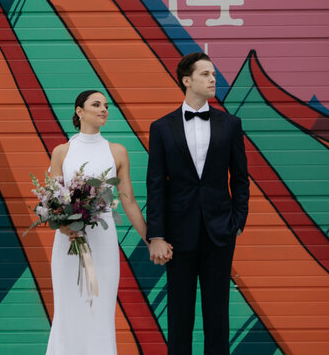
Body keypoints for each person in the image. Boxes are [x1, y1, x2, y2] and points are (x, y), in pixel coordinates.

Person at [146, 52, 250, 355]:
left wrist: (237, 222)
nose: (213, 79)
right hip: (178, 235)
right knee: (180, 315)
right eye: (205, 74)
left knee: (217, 315)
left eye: (214, 74)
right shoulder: (161, 127)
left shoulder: (230, 124)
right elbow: (155, 185)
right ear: (186, 80)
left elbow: (240, 178)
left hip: (220, 232)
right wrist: (157, 234)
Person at [45, 90, 150, 355]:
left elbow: (128, 201)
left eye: (106, 105)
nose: (104, 109)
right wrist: (63, 223)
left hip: (103, 241)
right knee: (68, 310)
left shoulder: (117, 152)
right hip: (68, 243)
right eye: (96, 104)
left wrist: (151, 239)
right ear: (79, 111)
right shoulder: (61, 152)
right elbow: (52, 201)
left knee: (100, 310)